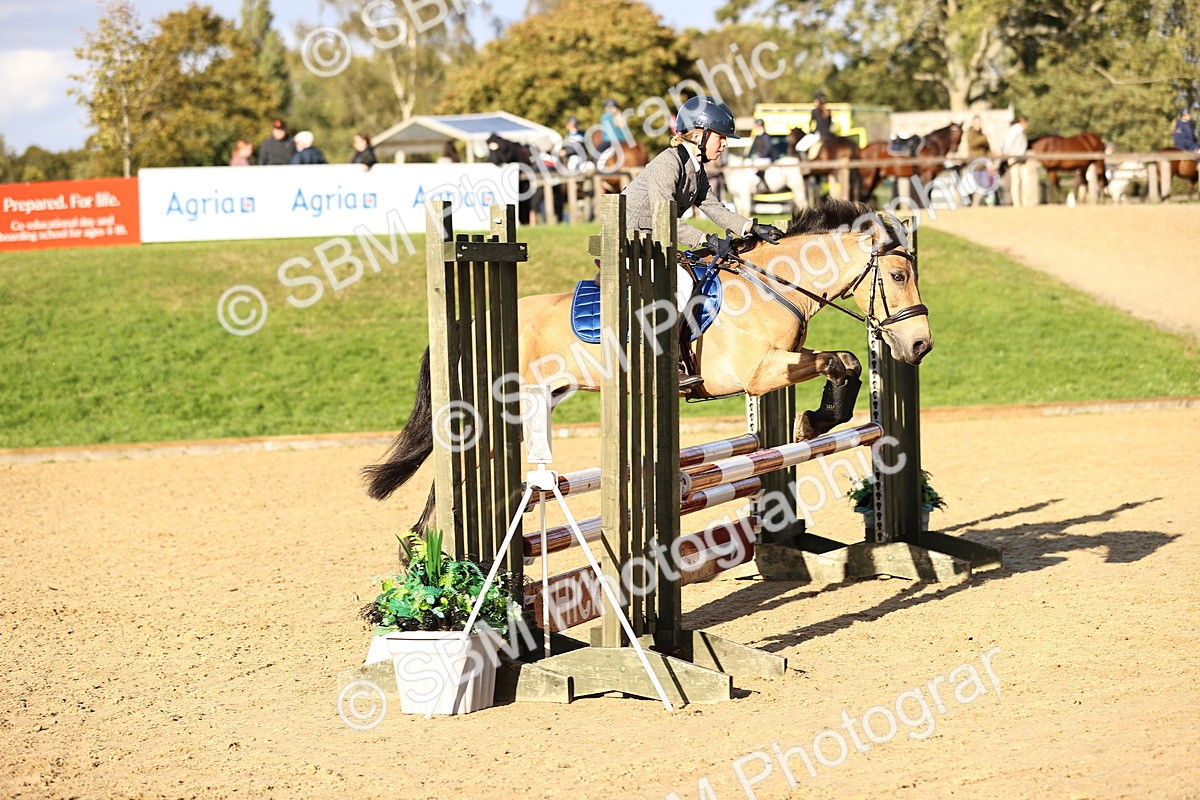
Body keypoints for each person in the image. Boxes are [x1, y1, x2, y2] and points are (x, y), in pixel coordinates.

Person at [622, 95, 784, 389]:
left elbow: (714, 208)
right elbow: (664, 218)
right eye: (720, 138)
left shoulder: (695, 168)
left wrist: (752, 227)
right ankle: (665, 364)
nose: (724, 145)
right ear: (699, 134)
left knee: (702, 275)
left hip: (658, 241)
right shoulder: (667, 164)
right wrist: (705, 238)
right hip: (633, 242)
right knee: (682, 284)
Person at [999, 115, 1030, 206]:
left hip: (1021, 158)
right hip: (1015, 158)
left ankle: (1023, 202)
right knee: (1016, 181)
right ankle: (1018, 203)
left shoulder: (1019, 131)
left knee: (1022, 180)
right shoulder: (1015, 131)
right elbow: (1008, 145)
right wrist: (1008, 156)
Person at [964, 116, 994, 205]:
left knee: (985, 184)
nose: (979, 125)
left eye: (980, 123)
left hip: (983, 164)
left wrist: (991, 158)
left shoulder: (981, 134)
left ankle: (976, 203)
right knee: (977, 185)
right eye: (977, 123)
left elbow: (987, 149)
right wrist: (985, 137)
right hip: (975, 165)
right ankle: (974, 203)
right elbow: (973, 143)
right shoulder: (971, 133)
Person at [795, 92, 832, 157]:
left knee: (799, 147)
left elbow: (811, 124)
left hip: (818, 134)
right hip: (828, 135)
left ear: (817, 101)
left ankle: (806, 165)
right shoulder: (828, 111)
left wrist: (811, 131)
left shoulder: (815, 111)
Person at [747, 118, 773, 191]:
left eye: (757, 125)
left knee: (757, 165)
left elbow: (768, 148)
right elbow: (753, 148)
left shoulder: (765, 136)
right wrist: (748, 156)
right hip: (758, 158)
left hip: (764, 158)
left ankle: (763, 184)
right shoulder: (757, 136)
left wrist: (760, 156)